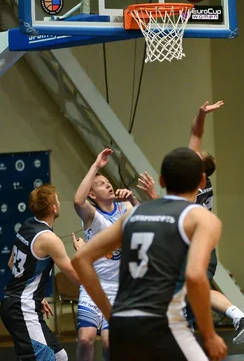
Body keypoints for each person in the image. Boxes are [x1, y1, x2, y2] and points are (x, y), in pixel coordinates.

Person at [71, 147, 228, 361]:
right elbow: (194, 276)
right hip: (162, 320)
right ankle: (237, 316)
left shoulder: (133, 215)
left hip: (126, 317)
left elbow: (80, 259)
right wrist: (209, 335)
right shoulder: (202, 219)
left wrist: (109, 313)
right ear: (202, 181)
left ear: (161, 181)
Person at [137, 100, 244, 344]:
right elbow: (195, 133)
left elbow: (173, 214)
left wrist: (152, 194)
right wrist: (201, 114)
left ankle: (239, 317)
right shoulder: (191, 184)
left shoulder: (196, 190)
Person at [72, 148, 138, 361]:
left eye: (108, 182)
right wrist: (95, 166)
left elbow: (148, 223)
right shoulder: (92, 215)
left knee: (111, 341)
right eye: (101, 184)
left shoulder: (126, 206)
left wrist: (135, 201)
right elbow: (77, 202)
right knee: (86, 338)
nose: (108, 184)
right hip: (95, 285)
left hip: (120, 288)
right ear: (92, 194)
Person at [0, 184, 79, 360]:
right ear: (54, 208)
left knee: (60, 356)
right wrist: (82, 253)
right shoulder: (49, 239)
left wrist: (34, 292)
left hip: (15, 303)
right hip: (22, 308)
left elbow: (11, 262)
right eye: (57, 199)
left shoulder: (27, 225)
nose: (59, 202)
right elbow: (76, 277)